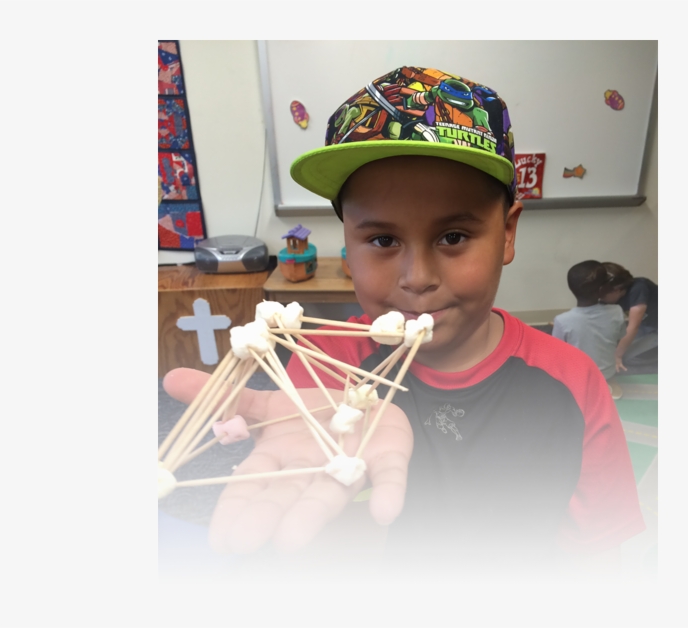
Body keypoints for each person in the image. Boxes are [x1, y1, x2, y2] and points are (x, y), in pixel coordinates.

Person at [163, 66, 645, 580]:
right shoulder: (321, 369)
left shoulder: (571, 383)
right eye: (384, 241)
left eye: (454, 237)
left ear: (506, 233)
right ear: (347, 244)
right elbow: (310, 548)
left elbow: (597, 561)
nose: (418, 278)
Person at [552, 260, 627, 398]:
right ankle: (604, 387)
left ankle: (583, 391)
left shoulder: (562, 321)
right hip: (607, 372)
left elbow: (557, 353)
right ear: (602, 290)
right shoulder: (617, 311)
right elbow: (619, 336)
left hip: (579, 375)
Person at [599, 262, 658, 372]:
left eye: (602, 296)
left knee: (625, 357)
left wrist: (617, 356)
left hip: (655, 329)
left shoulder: (639, 288)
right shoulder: (612, 294)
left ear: (617, 290)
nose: (600, 299)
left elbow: (633, 327)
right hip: (645, 326)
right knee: (611, 350)